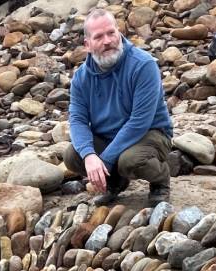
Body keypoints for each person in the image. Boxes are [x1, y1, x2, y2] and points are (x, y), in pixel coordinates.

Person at [64, 9, 174, 206]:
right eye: (99, 36)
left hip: (150, 134)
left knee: (129, 161)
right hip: (109, 136)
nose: (108, 41)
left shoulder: (143, 65)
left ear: (119, 32)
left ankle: (161, 180)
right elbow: (78, 120)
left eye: (111, 33)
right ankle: (116, 182)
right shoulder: (81, 78)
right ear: (87, 45)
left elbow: (139, 123)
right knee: (73, 156)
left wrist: (104, 160)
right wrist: (89, 156)